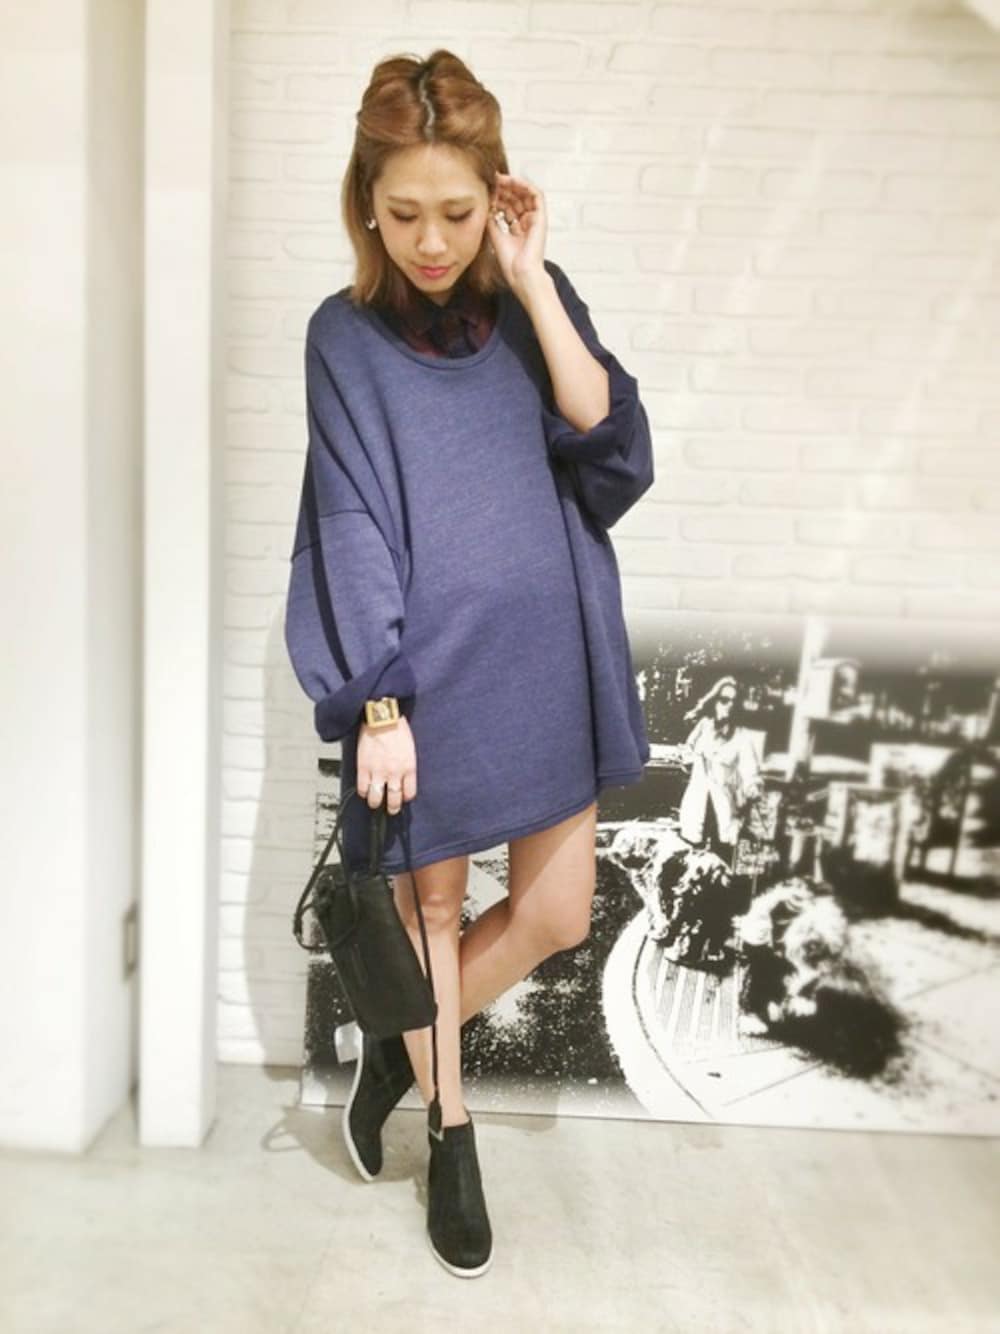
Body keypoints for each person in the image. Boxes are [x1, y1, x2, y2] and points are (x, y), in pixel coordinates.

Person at [283, 49, 655, 1279]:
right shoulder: (343, 338)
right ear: (365, 203)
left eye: (456, 211)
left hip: (550, 661)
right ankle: (451, 1129)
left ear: (497, 196)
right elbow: (346, 517)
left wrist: (534, 281)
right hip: (425, 677)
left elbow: (612, 452)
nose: (432, 242)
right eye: (404, 215)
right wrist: (377, 699)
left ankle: (401, 1046)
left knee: (557, 912)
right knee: (434, 912)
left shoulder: (534, 301)